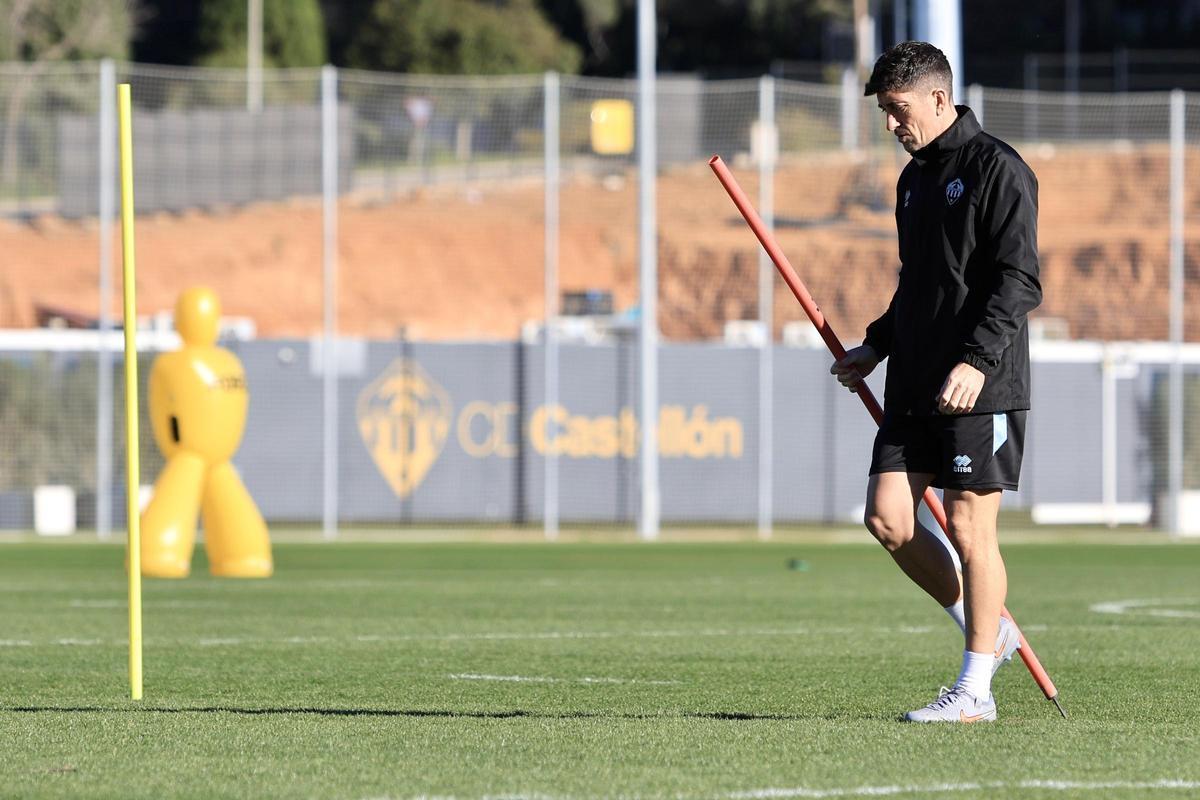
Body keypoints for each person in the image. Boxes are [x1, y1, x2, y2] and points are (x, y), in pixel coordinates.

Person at [830, 41, 1042, 723]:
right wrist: (876, 346)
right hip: (915, 382)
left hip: (982, 384)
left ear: (938, 98)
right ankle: (989, 630)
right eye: (885, 114)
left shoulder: (998, 169)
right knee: (887, 518)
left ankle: (974, 689)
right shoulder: (914, 180)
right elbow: (919, 285)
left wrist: (975, 362)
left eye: (897, 110)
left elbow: (1018, 281)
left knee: (973, 532)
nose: (891, 124)